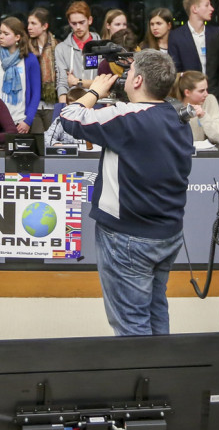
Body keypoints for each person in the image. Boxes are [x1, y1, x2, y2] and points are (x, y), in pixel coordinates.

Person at [56, 50, 192, 336]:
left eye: (129, 74)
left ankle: (140, 378)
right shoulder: (176, 114)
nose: (124, 78)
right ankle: (160, 376)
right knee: (156, 313)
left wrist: (94, 89)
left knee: (131, 326)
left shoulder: (127, 117)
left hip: (127, 237)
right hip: (167, 233)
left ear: (139, 79)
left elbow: (68, 117)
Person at [0, 17, 41, 134]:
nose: (1, 36)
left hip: (21, 121)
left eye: (6, 33)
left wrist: (28, 121)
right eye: (0, 33)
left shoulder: (30, 60)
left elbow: (36, 93)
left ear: (17, 37)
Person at [54, 0, 99, 102]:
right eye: (74, 23)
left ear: (90, 20)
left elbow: (104, 82)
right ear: (69, 23)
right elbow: (62, 83)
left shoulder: (102, 47)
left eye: (81, 22)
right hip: (71, 104)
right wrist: (64, 108)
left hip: (97, 103)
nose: (78, 27)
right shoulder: (61, 48)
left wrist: (77, 81)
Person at [26, 8, 59, 128]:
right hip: (32, 105)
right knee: (37, 142)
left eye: (33, 23)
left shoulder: (58, 47)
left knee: (52, 141)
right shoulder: (25, 48)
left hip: (52, 103)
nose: (29, 27)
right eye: (28, 23)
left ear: (45, 26)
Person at [171, 71, 219, 144]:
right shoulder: (172, 105)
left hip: (204, 153)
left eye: (206, 89)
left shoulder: (209, 100)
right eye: (201, 91)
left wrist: (203, 116)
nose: (206, 94)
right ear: (187, 92)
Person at [167, 0, 214, 73]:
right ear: (194, 9)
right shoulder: (176, 36)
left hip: (213, 85)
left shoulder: (216, 33)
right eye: (207, 5)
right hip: (189, 84)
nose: (212, 9)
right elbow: (175, 69)